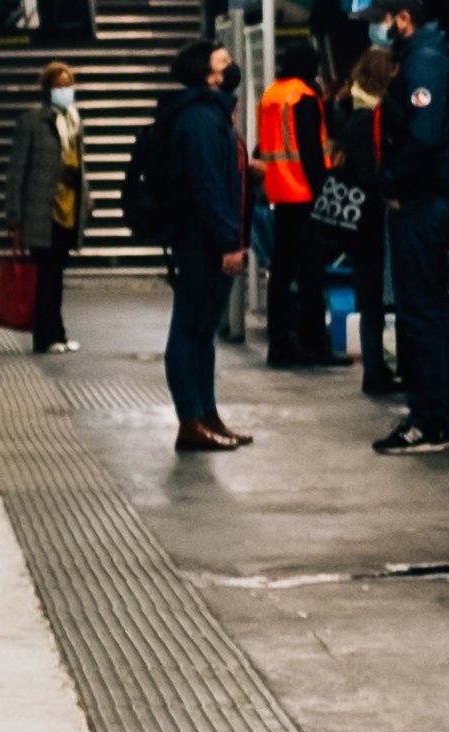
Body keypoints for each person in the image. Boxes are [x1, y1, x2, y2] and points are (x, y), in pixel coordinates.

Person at [365, 0, 449, 457]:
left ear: (401, 18)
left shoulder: (425, 62)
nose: (380, 28)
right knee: (435, 308)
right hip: (429, 198)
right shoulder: (428, 55)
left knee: (420, 312)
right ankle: (444, 416)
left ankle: (429, 420)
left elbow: (423, 137)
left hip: (421, 202)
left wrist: (392, 181)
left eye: (382, 19)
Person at [143, 42, 256, 454]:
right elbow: (208, 186)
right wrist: (229, 242)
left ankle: (207, 416)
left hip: (207, 238)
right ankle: (190, 420)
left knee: (203, 333)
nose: (232, 67)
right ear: (209, 76)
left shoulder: (213, 115)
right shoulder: (201, 120)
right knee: (189, 331)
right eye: (224, 62)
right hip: (201, 242)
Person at [253, 54, 332, 366]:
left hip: (278, 193)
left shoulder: (272, 94)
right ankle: (315, 344)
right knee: (311, 272)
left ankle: (280, 344)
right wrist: (324, 192)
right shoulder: (303, 97)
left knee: (281, 271)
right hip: (305, 194)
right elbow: (312, 152)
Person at [332, 40, 399, 404]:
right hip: (371, 219)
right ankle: (376, 369)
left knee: (371, 295)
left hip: (361, 220)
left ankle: (378, 367)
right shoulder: (366, 116)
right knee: (374, 297)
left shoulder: (351, 108)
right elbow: (368, 171)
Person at [1, 60, 83, 352]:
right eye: (60, 85)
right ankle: (44, 337)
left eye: (69, 84)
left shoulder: (74, 123)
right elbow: (16, 172)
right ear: (48, 89)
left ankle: (57, 333)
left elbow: (78, 168)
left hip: (67, 211)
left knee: (56, 275)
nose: (66, 90)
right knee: (44, 276)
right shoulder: (32, 123)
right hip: (40, 212)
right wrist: (14, 216)